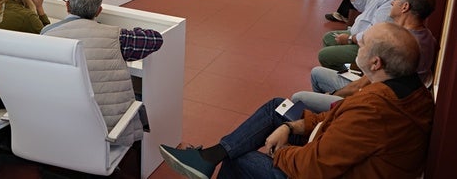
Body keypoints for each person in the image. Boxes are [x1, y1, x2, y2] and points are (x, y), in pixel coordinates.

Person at [160, 22, 434, 179]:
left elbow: (315, 166)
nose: (357, 45)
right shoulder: (402, 89)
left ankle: (216, 157)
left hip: (321, 170)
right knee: (278, 107)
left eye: (363, 45)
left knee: (240, 159)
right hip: (327, 146)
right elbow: (336, 119)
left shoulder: (376, 110)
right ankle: (209, 156)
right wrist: (292, 128)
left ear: (375, 62)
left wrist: (279, 153)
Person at [41, 0, 163, 146]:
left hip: (61, 124)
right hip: (107, 130)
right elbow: (155, 39)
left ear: (67, 6)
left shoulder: (46, 34)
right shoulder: (117, 37)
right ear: (99, 11)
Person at [294, 0, 438, 112]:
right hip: (377, 93)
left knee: (298, 98)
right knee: (316, 73)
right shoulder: (428, 37)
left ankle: (326, 119)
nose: (393, 2)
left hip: (371, 101)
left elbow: (359, 87)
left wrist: (332, 97)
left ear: (405, 7)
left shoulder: (397, 44)